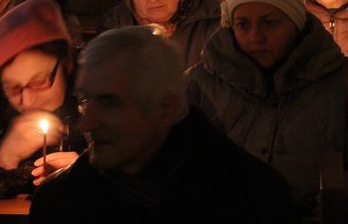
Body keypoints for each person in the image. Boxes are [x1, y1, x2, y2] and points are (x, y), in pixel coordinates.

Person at [30, 25, 300, 224]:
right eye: (85, 100)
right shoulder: (60, 200)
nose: (86, 123)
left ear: (166, 108)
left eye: (110, 102)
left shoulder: (252, 198)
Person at [184, 0, 348, 217]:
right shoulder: (202, 84)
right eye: (242, 24)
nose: (254, 37)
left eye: (270, 23)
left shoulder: (338, 83)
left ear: (296, 22)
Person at [0, 0, 86, 200]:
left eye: (39, 81)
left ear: (67, 62)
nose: (27, 101)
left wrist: (83, 171)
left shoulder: (95, 100)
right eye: (14, 88)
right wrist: (5, 158)